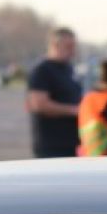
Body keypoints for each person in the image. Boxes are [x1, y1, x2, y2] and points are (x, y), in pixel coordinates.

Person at [26, 27, 84, 158]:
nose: (73, 51)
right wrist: (75, 110)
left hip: (71, 143)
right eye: (68, 46)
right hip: (51, 146)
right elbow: (39, 104)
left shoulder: (68, 69)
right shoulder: (42, 70)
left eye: (74, 46)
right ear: (54, 45)